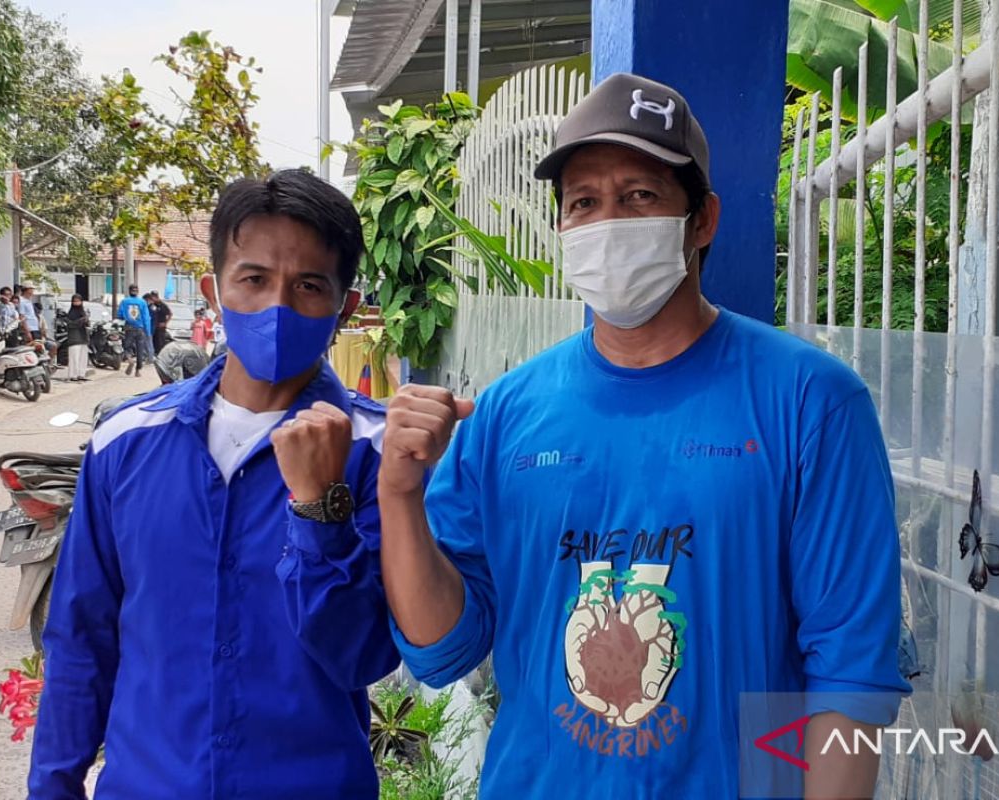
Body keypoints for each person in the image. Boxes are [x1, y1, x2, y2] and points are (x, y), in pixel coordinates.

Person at [377, 73, 909, 799]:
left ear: (703, 220)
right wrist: (400, 495)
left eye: (640, 197)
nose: (608, 223)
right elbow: (443, 649)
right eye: (583, 203)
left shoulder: (809, 401)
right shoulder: (504, 414)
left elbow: (851, 672)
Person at [29, 170, 399, 799]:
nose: (277, 307)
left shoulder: (379, 453)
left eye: (309, 285)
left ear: (345, 306)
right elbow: (81, 640)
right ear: (215, 289)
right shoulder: (126, 441)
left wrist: (319, 509)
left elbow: (363, 656)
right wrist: (52, 787)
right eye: (253, 280)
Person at [117, 284, 151, 377]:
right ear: (137, 291)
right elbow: (146, 317)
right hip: (140, 329)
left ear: (129, 291)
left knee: (127, 347)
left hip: (129, 328)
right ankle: (138, 371)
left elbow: (119, 314)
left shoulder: (124, 301)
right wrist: (148, 331)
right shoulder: (142, 302)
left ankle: (129, 359)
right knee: (140, 349)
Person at [64, 294, 91, 382]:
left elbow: (87, 324)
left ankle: (81, 374)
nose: (77, 303)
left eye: (78, 301)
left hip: (83, 337)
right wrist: (81, 320)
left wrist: (86, 320)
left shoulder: (83, 312)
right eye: (75, 301)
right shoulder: (70, 313)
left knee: (83, 357)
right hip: (74, 338)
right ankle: (73, 375)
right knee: (74, 357)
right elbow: (70, 324)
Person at [149, 291, 173, 355]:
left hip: (161, 327)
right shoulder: (152, 305)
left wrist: (165, 323)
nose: (151, 299)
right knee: (154, 342)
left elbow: (170, 314)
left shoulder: (163, 305)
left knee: (160, 342)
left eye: (152, 297)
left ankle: (160, 355)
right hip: (153, 326)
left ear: (155, 297)